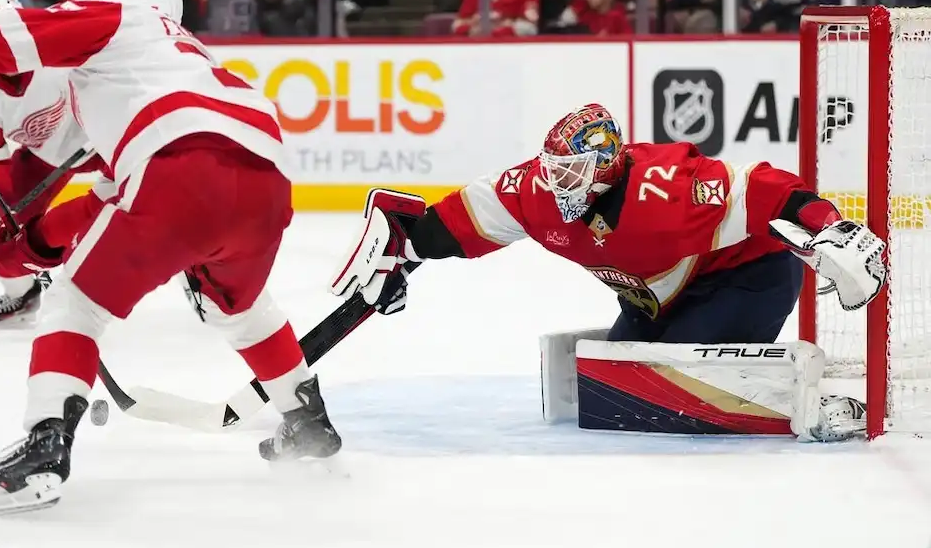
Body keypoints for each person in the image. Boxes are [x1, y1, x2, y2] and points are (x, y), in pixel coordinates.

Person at [0, 0, 341, 514]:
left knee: (75, 302)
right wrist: (36, 241)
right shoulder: (195, 64)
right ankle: (308, 421)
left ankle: (44, 448)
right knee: (242, 308)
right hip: (268, 188)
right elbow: (108, 204)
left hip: (177, 170)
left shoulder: (120, 20)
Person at [329, 103, 886, 440]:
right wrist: (406, 251)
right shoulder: (537, 191)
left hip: (742, 275)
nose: (559, 183)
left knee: (673, 392)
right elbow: (457, 220)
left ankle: (818, 409)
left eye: (572, 171)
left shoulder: (667, 189)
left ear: (607, 165)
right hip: (655, 295)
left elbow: (769, 188)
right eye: (554, 169)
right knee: (618, 386)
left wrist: (829, 226)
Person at [0, 0, 102, 327]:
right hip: (46, 156)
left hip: (104, 138)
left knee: (159, 193)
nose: (5, 48)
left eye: (12, 33)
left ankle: (200, 273)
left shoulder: (60, 44)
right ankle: (22, 293)